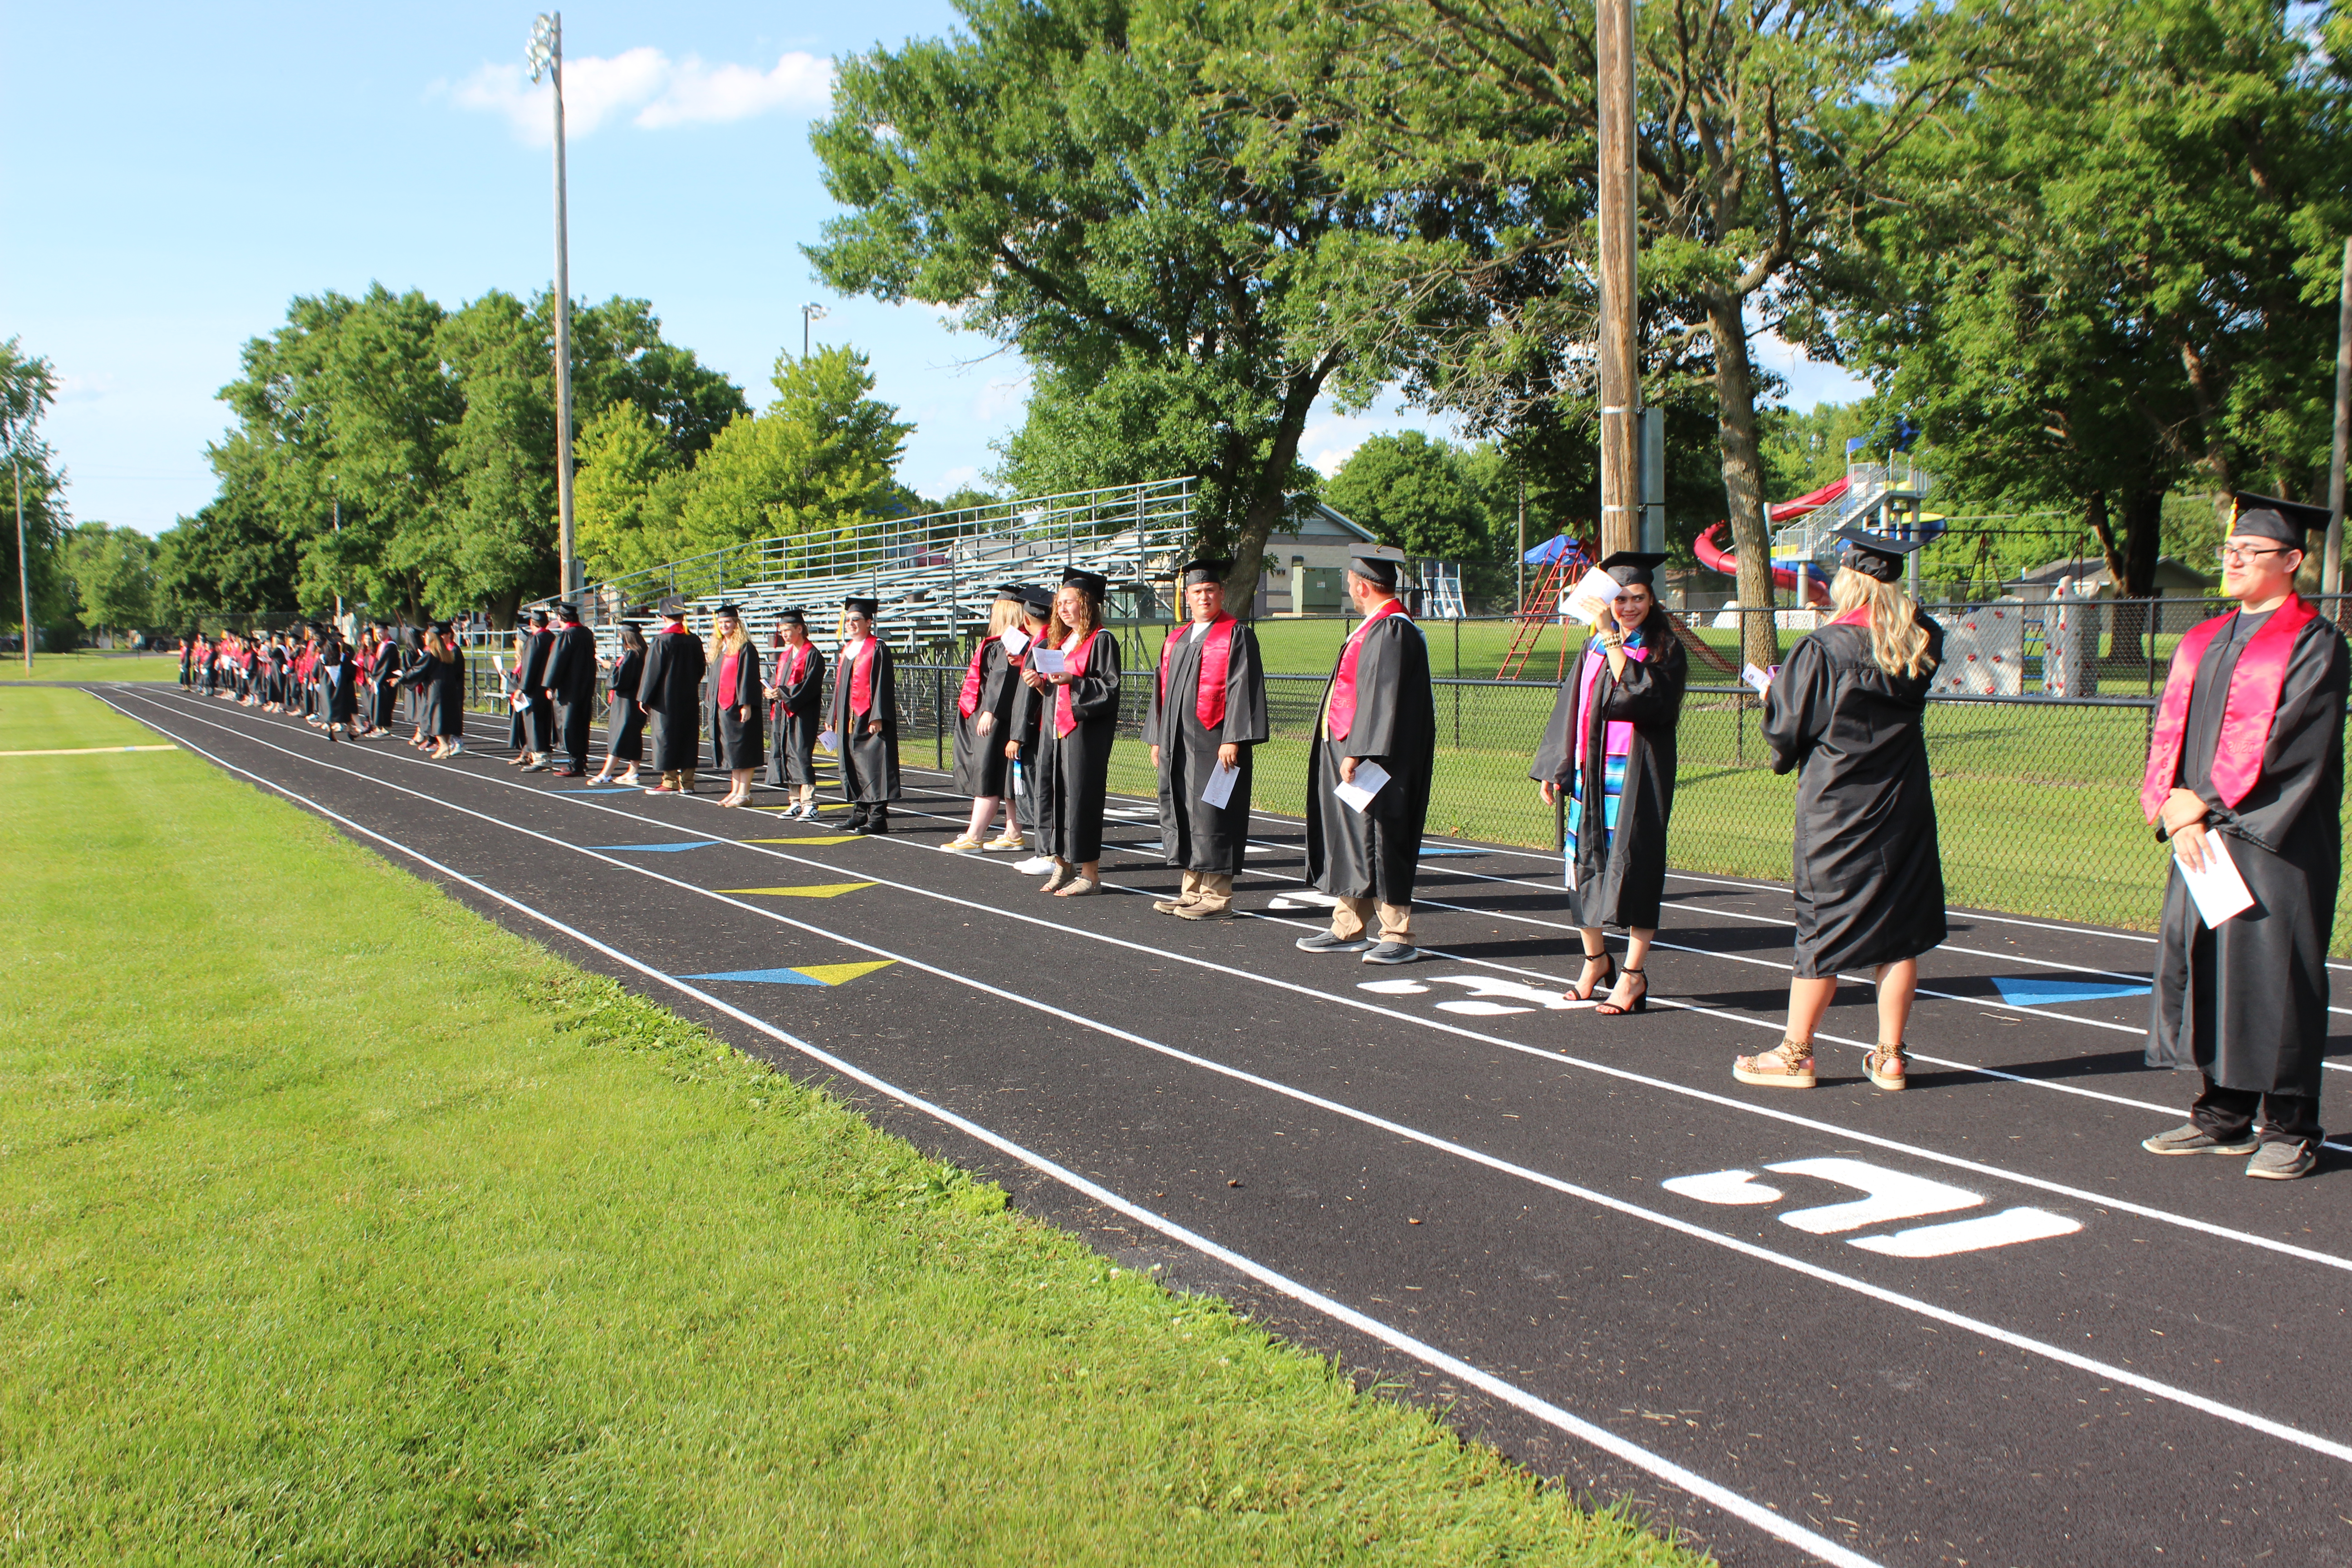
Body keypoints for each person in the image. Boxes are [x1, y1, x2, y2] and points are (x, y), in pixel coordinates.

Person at [2139, 493, 2348, 1180]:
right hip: (2202, 832)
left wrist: (2203, 802)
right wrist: (2176, 805)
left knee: (2277, 975)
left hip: (2274, 840)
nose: (2232, 561)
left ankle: (2292, 1125)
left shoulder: (2316, 643)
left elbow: (2294, 747)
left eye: (2248, 552)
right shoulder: (2207, 637)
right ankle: (2223, 1114)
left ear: (2291, 561)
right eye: (2229, 551)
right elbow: (2175, 731)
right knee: (2212, 966)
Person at [1735, 528, 1945, 1092]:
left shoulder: (1824, 647)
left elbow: (1788, 727)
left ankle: (1797, 1053)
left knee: (1822, 926)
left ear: (1848, 581)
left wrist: (1774, 697)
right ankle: (1891, 1056)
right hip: (1902, 802)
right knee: (1897, 933)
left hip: (1839, 808)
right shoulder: (1921, 640)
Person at [1529, 552, 1690, 1014]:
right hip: (1589, 776)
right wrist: (1557, 768)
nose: (1629, 606)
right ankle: (1595, 962)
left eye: (1638, 597)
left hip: (1636, 778)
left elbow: (1645, 698)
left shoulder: (1663, 650)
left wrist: (1613, 640)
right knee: (1579, 869)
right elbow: (1572, 708)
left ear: (1652, 599)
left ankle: (1633, 976)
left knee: (1636, 868)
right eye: (1619, 598)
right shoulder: (1591, 649)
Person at [1297, 555, 1436, 965]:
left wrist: (1358, 749)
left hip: (1380, 757)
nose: (1350, 591)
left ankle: (1397, 932)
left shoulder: (1392, 629)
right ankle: (1348, 926)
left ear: (1362, 586)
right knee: (1355, 839)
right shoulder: (1376, 626)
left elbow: (1382, 698)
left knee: (1381, 838)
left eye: (1351, 584)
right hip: (1356, 750)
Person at [1143, 558, 1268, 920]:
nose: (1204, 597)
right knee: (1185, 811)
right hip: (1179, 745)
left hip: (1217, 745)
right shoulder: (1177, 638)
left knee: (1214, 814)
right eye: (1197, 592)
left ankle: (1216, 898)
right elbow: (1161, 691)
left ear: (1222, 593)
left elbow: (1244, 687)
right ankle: (1190, 891)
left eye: (1210, 590)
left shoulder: (1236, 634)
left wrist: (1234, 738)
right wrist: (1157, 738)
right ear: (1187, 595)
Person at [1026, 570, 1123, 897]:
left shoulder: (1101, 640)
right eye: (1060, 604)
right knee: (1053, 796)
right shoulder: (1060, 642)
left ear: (1087, 604)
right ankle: (1062, 866)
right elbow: (1058, 695)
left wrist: (1073, 681)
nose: (1063, 609)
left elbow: (1109, 689)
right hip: (1055, 732)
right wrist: (1042, 685)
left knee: (1082, 799)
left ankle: (1090, 874)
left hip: (1084, 736)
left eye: (1070, 603)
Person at [943, 590, 1030, 853]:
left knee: (987, 775)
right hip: (1004, 719)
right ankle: (1013, 833)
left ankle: (975, 835)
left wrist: (990, 710)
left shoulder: (1012, 641)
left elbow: (1002, 679)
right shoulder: (1004, 642)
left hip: (997, 721)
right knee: (1006, 779)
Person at [831, 597, 902, 834]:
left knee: (874, 765)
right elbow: (840, 686)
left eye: (856, 620)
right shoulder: (848, 650)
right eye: (848, 620)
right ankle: (860, 813)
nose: (850, 623)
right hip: (848, 716)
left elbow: (883, 684)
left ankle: (878, 817)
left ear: (869, 622)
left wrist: (878, 715)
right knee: (852, 763)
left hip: (869, 717)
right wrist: (833, 715)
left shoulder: (877, 647)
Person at [998, 587, 1058, 863]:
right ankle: (1045, 852)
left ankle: (1047, 854)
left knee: (1040, 791)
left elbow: (1027, 698)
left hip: (1036, 733)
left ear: (1026, 619)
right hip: (1044, 730)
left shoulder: (1042, 645)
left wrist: (1017, 737)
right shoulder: (1049, 642)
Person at [638, 598, 707, 795]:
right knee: (688, 737)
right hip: (688, 696)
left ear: (663, 617)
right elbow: (700, 668)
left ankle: (669, 782)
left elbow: (653, 672)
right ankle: (688, 782)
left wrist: (645, 697)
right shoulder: (693, 639)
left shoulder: (662, 640)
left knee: (666, 737)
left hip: (665, 699)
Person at [763, 609, 827, 819]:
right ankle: (795, 802)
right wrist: (771, 690)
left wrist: (781, 692)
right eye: (781, 631)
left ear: (800, 629)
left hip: (803, 714)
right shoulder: (786, 655)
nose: (784, 635)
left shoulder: (812, 655)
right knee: (787, 755)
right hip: (784, 714)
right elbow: (777, 682)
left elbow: (809, 687)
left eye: (788, 630)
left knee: (800, 756)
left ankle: (810, 803)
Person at [707, 604, 766, 808]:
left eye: (728, 622)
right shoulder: (720, 647)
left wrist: (746, 704)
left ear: (736, 624)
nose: (724, 625)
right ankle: (735, 790)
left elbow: (748, 678)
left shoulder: (745, 648)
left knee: (743, 748)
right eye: (721, 622)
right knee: (732, 750)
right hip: (723, 707)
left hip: (738, 706)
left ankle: (745, 792)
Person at [394, 624, 468, 758]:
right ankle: (444, 747)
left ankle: (444, 745)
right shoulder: (446, 654)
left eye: (427, 636)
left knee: (435, 719)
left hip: (436, 691)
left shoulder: (431, 654)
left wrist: (400, 679)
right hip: (449, 690)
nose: (424, 637)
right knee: (444, 720)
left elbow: (418, 670)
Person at [544, 601, 599, 778]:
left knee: (570, 725)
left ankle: (575, 765)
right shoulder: (586, 633)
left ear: (560, 618)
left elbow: (557, 662)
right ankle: (581, 761)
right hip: (586, 686)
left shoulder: (566, 636)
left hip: (569, 689)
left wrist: (550, 685)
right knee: (582, 725)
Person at [592, 622, 648, 786]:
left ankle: (606, 773)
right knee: (634, 736)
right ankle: (633, 772)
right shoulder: (644, 653)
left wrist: (611, 668)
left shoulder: (632, 655)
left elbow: (619, 680)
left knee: (619, 735)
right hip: (637, 700)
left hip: (625, 701)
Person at [517, 608, 557, 773]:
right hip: (547, 688)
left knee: (534, 722)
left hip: (534, 689)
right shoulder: (553, 638)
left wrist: (522, 688)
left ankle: (540, 758)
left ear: (531, 623)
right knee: (545, 722)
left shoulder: (535, 640)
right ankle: (546, 754)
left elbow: (529, 666)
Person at [317, 625, 358, 743]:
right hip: (341, 688)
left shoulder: (323, 658)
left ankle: (331, 731)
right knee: (345, 709)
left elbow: (316, 671)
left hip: (327, 688)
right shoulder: (343, 658)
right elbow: (351, 671)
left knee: (329, 709)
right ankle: (350, 730)